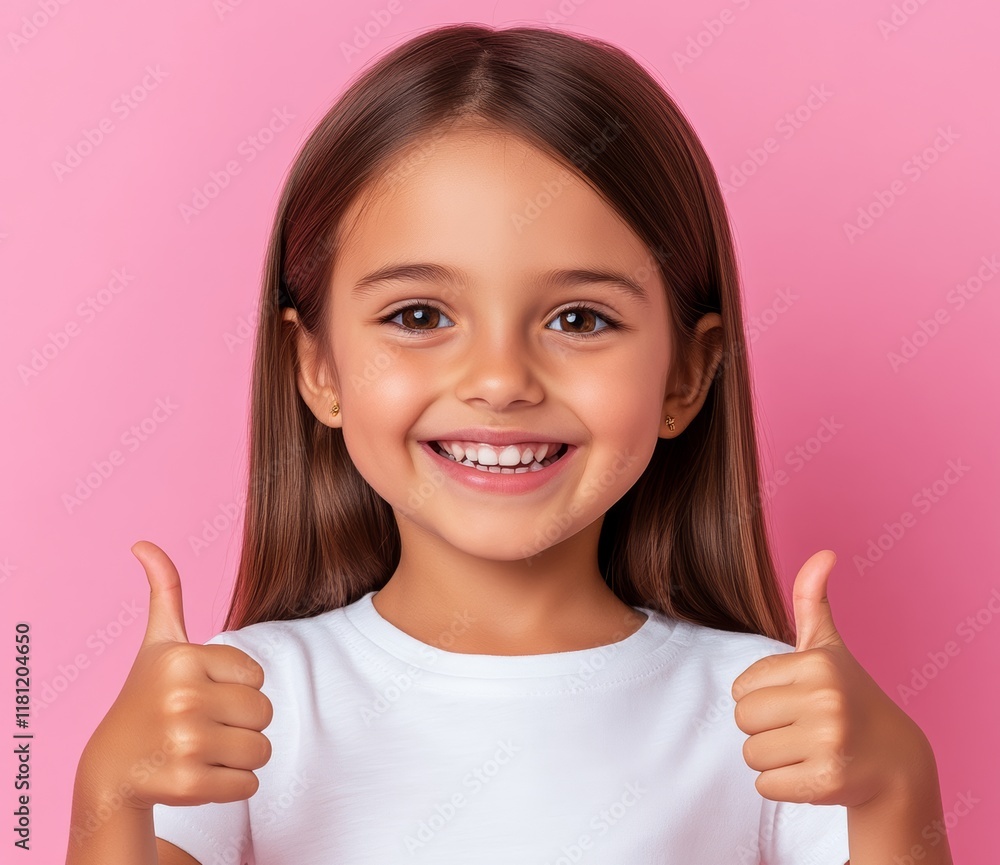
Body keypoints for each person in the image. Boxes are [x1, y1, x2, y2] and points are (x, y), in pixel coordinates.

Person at [66, 23, 951, 865]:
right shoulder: (238, 703)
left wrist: (898, 791)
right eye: (419, 316)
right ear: (318, 368)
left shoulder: (773, 715)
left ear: (686, 374)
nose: (500, 379)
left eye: (579, 318)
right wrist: (108, 796)